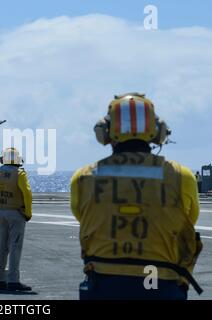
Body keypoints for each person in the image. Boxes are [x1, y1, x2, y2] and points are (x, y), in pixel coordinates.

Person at [70, 93, 203, 300]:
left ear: (105, 132)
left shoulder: (83, 178)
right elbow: (188, 222)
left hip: (103, 285)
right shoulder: (181, 177)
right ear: (158, 132)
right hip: (161, 284)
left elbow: (84, 217)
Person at [0, 148, 33, 292]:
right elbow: (27, 194)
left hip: (0, 214)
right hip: (16, 214)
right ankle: (14, 281)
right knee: (15, 247)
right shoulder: (19, 174)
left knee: (1, 247)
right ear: (18, 160)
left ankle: (1, 280)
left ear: (2, 159)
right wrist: (28, 213)